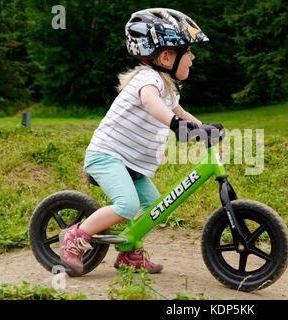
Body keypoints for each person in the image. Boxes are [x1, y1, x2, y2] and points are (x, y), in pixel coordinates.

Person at [59, 8, 222, 275]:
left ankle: (128, 251)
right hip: (107, 155)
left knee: (155, 206)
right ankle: (74, 236)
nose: (192, 57)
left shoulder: (168, 88)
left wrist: (202, 129)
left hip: (132, 163)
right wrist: (175, 125)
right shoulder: (148, 80)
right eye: (189, 51)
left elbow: (180, 113)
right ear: (167, 56)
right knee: (127, 205)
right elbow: (151, 102)